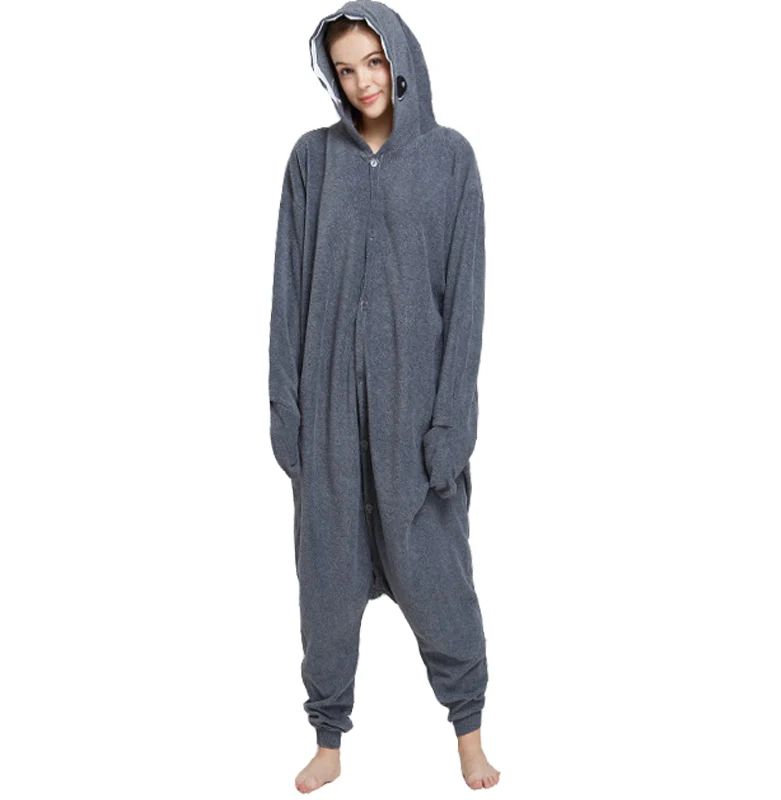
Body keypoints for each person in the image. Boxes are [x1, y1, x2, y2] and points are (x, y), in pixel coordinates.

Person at [269, 0, 500, 792]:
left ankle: (469, 733)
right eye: (345, 69)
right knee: (326, 587)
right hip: (329, 414)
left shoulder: (450, 159)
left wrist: (451, 424)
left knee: (441, 583)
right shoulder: (312, 161)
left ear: (400, 58)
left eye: (374, 61)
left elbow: (466, 301)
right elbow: (287, 292)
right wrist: (287, 408)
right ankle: (328, 740)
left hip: (415, 416)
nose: (363, 81)